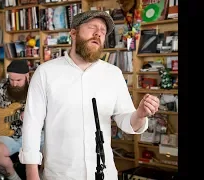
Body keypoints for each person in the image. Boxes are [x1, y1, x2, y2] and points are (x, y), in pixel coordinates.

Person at [19, 10, 160, 180]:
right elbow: (32, 124)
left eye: (102, 31)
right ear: (73, 32)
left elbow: (125, 120)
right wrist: (31, 173)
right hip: (60, 174)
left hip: (104, 174)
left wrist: (140, 114)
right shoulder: (45, 73)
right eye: (92, 27)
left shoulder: (113, 74)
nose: (98, 34)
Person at [0, 60, 44, 180]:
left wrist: (34, 115)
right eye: (11, 80)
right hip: (8, 135)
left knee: (52, 153)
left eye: (18, 80)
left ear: (27, 76)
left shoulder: (37, 88)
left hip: (35, 134)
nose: (14, 84)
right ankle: (14, 177)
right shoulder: (1, 86)